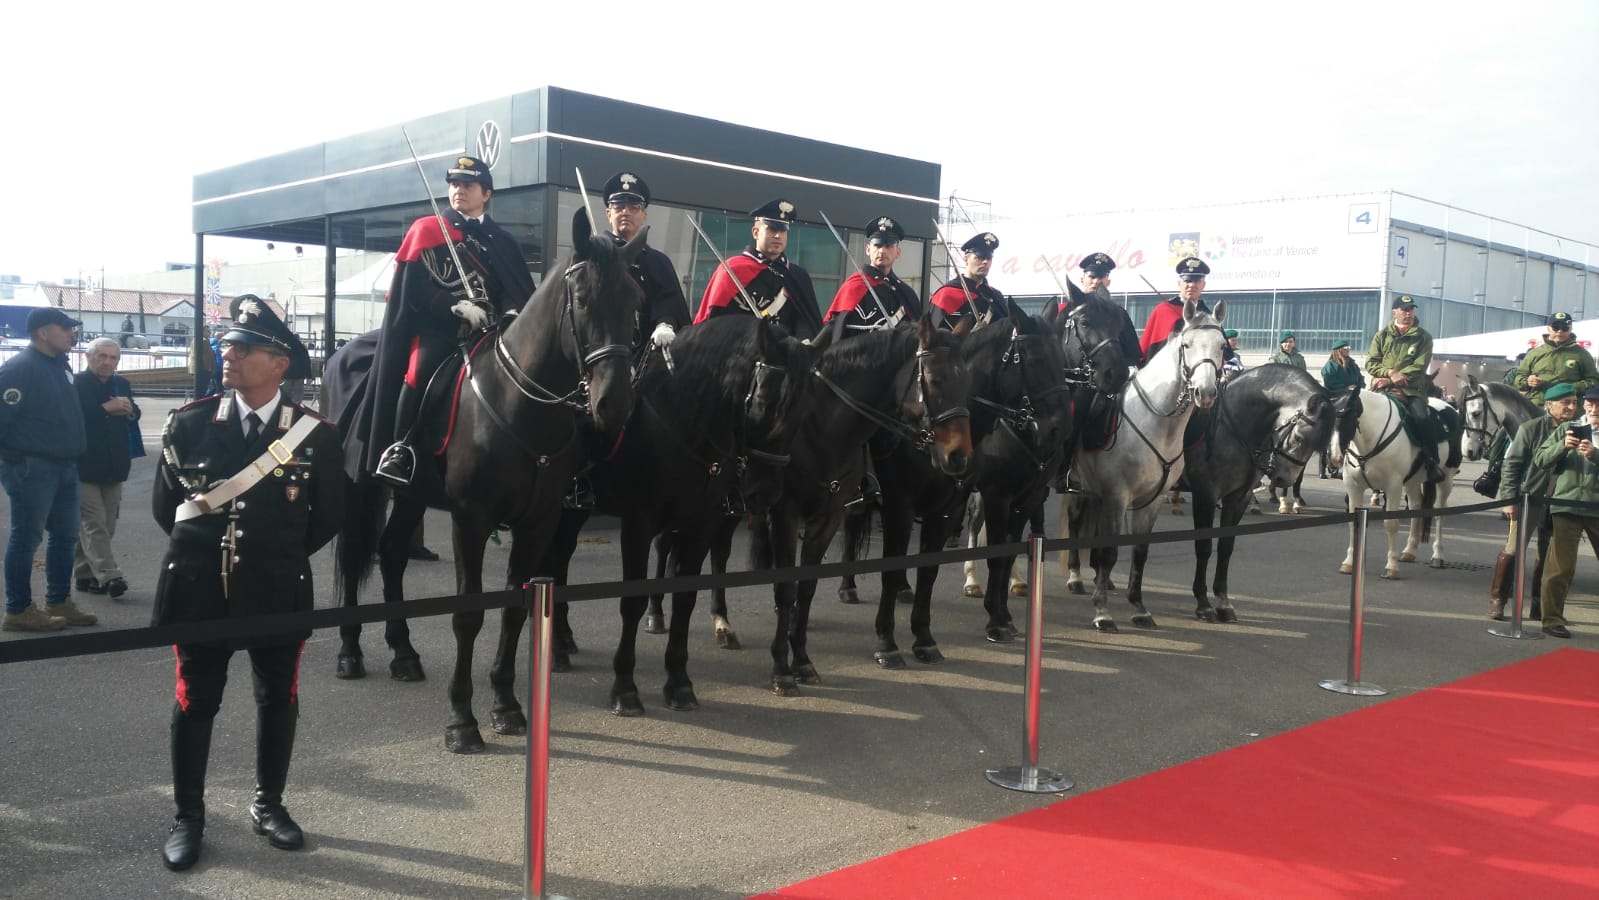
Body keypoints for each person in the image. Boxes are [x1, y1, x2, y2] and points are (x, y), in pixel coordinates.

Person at [152, 295, 344, 870]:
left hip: (277, 588)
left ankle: (269, 805)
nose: (227, 356)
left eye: (242, 348)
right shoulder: (189, 423)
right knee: (196, 702)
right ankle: (189, 815)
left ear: (280, 362)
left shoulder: (315, 435)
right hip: (200, 589)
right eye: (226, 346)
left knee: (277, 698)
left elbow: (325, 519)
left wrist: (270, 556)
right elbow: (170, 512)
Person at [364, 155, 536, 486]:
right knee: (419, 372)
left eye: (467, 185)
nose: (459, 191)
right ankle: (402, 449)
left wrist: (513, 309)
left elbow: (513, 286)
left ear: (486, 193)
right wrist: (454, 306)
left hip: (489, 332)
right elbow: (413, 287)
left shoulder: (503, 241)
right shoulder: (428, 230)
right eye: (454, 185)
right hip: (439, 331)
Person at [0, 307, 97, 631]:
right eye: (65, 328)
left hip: (64, 466)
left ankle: (58, 601)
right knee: (27, 538)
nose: (72, 333)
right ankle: (18, 609)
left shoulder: (60, 366)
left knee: (65, 537)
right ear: (43, 332)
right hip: (32, 467)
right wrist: (14, 462)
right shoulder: (20, 368)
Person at [1493, 381, 1573, 622]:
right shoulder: (1531, 428)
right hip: (1530, 497)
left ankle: (1539, 604)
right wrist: (1509, 499)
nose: (1571, 407)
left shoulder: (1578, 428)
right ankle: (1498, 600)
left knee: (1548, 554)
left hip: (1562, 501)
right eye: (1565, 403)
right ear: (1549, 405)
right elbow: (1512, 464)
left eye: (1574, 403)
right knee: (1513, 548)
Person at [1526, 381, 1599, 638]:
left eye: (1597, 405)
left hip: (1596, 507)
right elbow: (1540, 459)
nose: (1593, 409)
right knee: (1560, 567)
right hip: (1565, 505)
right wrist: (1562, 447)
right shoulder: (1568, 428)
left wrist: (1595, 454)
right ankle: (1552, 619)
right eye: (1590, 404)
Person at [693, 197, 823, 339]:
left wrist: (802, 342)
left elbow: (806, 320)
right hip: (740, 352)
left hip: (783, 355)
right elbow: (714, 318)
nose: (778, 235)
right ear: (755, 232)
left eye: (783, 230)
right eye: (772, 229)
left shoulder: (797, 275)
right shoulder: (733, 269)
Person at [599, 172, 693, 360]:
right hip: (602, 355)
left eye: (633, 207)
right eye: (619, 206)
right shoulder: (596, 256)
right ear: (609, 214)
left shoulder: (658, 261)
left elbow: (669, 300)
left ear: (644, 215)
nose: (625, 212)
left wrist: (665, 323)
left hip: (648, 360)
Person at [73, 337, 140, 599]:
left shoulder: (121, 383)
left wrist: (129, 409)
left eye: (113, 358)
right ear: (89, 357)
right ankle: (110, 576)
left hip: (114, 463)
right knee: (94, 523)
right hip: (84, 463)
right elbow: (75, 415)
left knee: (107, 524)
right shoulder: (77, 383)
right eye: (102, 356)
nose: (107, 362)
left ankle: (84, 574)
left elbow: (133, 414)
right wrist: (105, 408)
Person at [1366, 294, 1449, 484]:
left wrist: (1391, 379)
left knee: (1421, 417)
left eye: (1411, 309)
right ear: (1394, 312)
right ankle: (1347, 460)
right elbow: (1371, 362)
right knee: (1359, 413)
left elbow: (1419, 366)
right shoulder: (1382, 335)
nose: (1409, 313)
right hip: (1381, 386)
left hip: (1412, 390)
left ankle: (1431, 461)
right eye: (1405, 310)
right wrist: (1389, 372)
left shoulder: (1423, 337)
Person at [823, 216, 923, 334]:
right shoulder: (853, 287)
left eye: (888, 246)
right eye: (877, 245)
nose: (882, 251)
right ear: (868, 249)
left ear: (898, 252)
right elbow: (837, 337)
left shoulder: (906, 293)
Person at [928, 232, 1008, 331]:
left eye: (989, 258)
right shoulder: (945, 295)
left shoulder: (996, 297)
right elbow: (930, 336)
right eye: (979, 257)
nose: (985, 262)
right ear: (966, 259)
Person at [1139, 256, 1211, 363]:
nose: (1191, 285)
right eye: (1187, 280)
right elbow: (1145, 348)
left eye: (1196, 281)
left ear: (1203, 285)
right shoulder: (1163, 310)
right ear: (1179, 283)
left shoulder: (1208, 315)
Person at [1319, 339, 1364, 478]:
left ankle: (1341, 466)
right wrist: (1346, 388)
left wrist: (1358, 386)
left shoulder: (1352, 364)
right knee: (1331, 431)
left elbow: (1360, 379)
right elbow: (1330, 382)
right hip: (1335, 399)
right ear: (1338, 350)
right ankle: (1323, 467)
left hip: (1351, 400)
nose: (1348, 349)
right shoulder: (1330, 366)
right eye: (1345, 348)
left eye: (1348, 347)